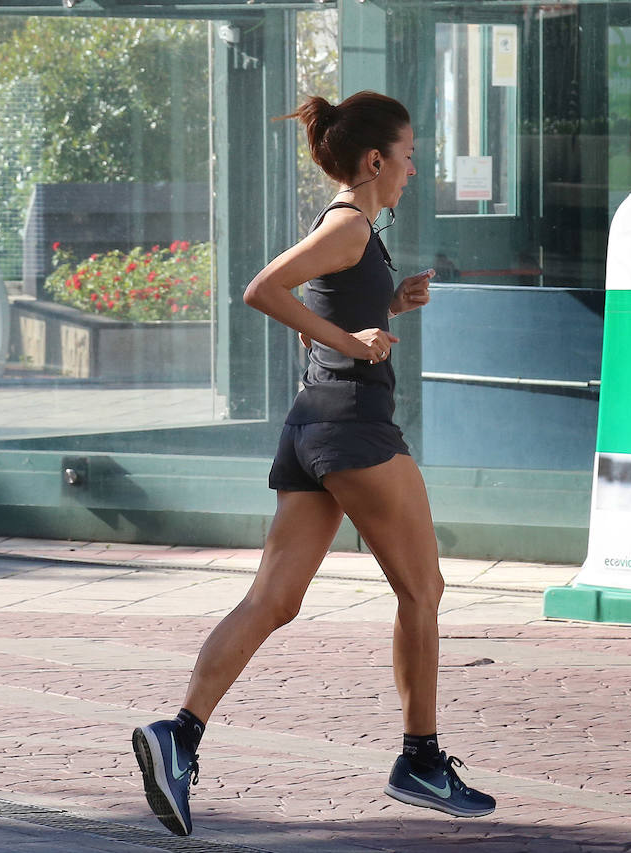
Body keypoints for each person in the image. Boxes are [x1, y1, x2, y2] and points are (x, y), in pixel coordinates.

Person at [131, 91, 495, 838]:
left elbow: (322, 317)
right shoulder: (350, 225)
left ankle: (180, 733)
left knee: (275, 598)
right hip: (354, 428)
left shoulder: (349, 233)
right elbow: (263, 289)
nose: (413, 170)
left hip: (311, 426)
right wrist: (356, 342)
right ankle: (420, 758)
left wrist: (388, 308)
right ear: (373, 161)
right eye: (408, 155)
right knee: (422, 586)